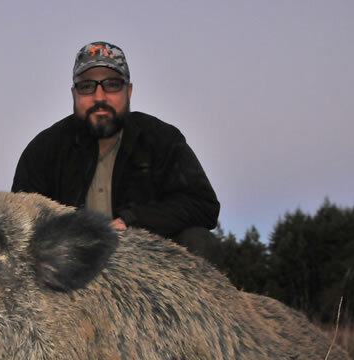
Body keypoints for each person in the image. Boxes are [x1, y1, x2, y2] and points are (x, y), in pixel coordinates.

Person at [12, 41, 220, 260]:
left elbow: (203, 205)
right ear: (74, 94)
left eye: (112, 85)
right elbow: (19, 220)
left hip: (147, 263)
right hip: (69, 269)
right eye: (87, 86)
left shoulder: (162, 140)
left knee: (198, 240)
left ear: (128, 91)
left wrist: (131, 221)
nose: (99, 97)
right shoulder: (44, 149)